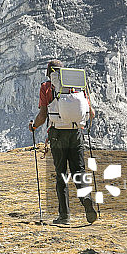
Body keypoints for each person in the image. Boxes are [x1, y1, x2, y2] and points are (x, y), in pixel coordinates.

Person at [29, 59, 98, 225]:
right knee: (79, 170)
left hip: (57, 134)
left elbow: (43, 115)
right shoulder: (77, 86)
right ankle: (86, 199)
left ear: (49, 73)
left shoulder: (47, 87)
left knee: (61, 174)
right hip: (76, 132)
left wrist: (34, 126)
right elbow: (92, 113)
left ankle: (64, 216)